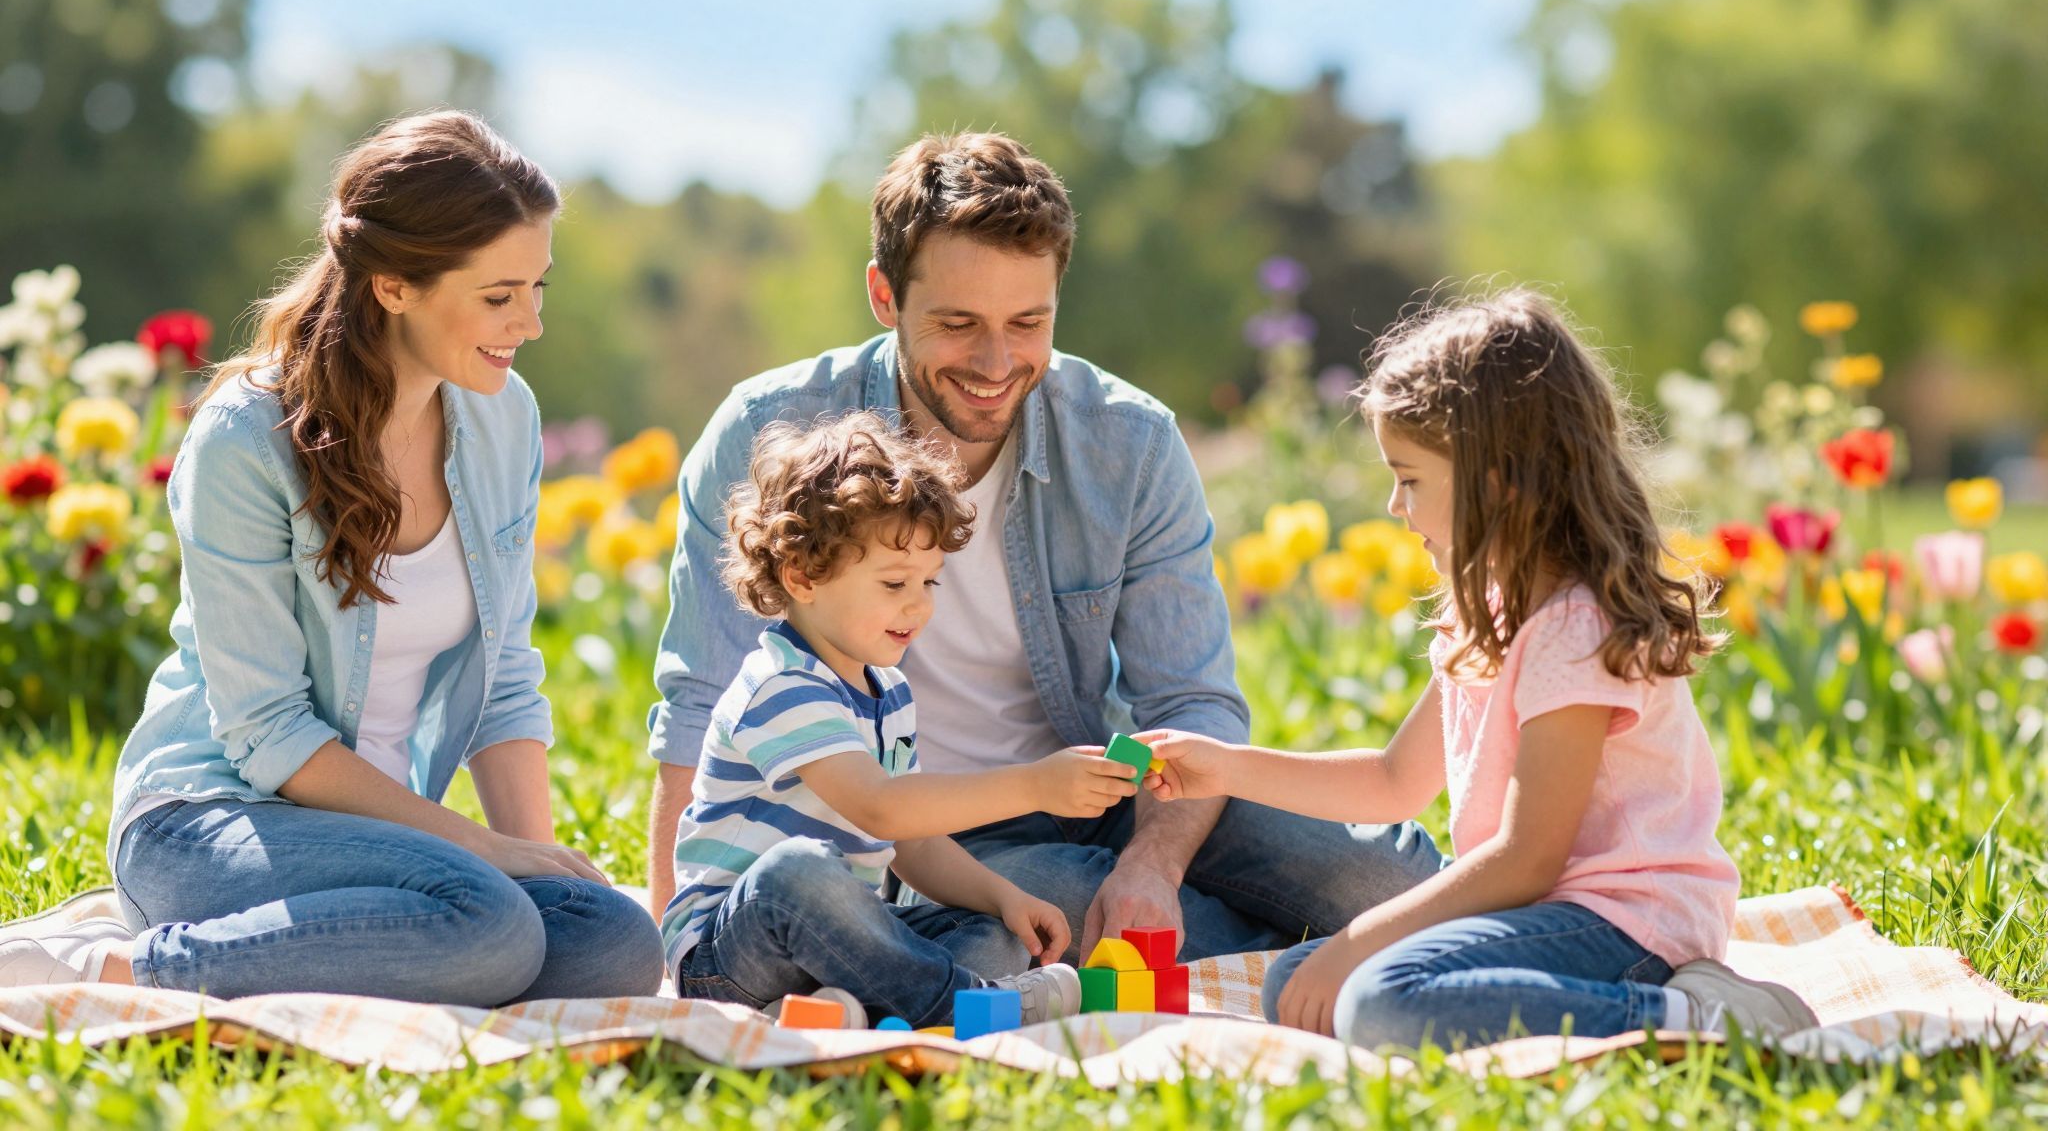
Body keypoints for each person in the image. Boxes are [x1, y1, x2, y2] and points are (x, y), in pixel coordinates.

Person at [645, 131, 1445, 966]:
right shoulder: (764, 433)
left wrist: (1151, 865)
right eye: (958, 324)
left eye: (1028, 323)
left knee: (1384, 879)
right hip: (940, 840)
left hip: (1110, 789)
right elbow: (698, 708)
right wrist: (683, 947)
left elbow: (1190, 703)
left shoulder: (1128, 442)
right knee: (1053, 917)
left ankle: (1328, 933)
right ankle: (1309, 950)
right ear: (885, 296)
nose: (996, 363)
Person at [0, 112, 663, 1003]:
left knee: (612, 941)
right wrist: (486, 858)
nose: (531, 323)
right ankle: (103, 969)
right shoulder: (246, 439)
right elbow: (270, 734)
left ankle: (420, 938)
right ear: (394, 286)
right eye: (500, 296)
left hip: (383, 841)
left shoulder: (503, 419)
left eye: (539, 287)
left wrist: (535, 868)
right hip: (211, 822)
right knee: (490, 926)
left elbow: (504, 673)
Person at [1139, 289, 1819, 1048]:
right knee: (1295, 985)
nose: (1396, 506)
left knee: (1380, 1002)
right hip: (1541, 916)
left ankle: (1699, 1018)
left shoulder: (1573, 630)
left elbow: (1528, 859)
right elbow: (1394, 782)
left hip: (1631, 923)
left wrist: (1363, 937)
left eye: (1410, 478)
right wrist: (1224, 768)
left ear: (1496, 482)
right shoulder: (1491, 615)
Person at [665, 412, 1147, 1027]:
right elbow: (881, 808)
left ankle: (849, 1011)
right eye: (894, 582)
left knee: (992, 933)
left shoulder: (887, 690)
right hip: (729, 956)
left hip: (841, 948)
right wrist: (1035, 784)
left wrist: (1004, 898)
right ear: (801, 577)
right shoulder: (780, 684)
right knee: (800, 870)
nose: (918, 604)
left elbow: (910, 842)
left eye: (929, 582)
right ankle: (969, 1003)